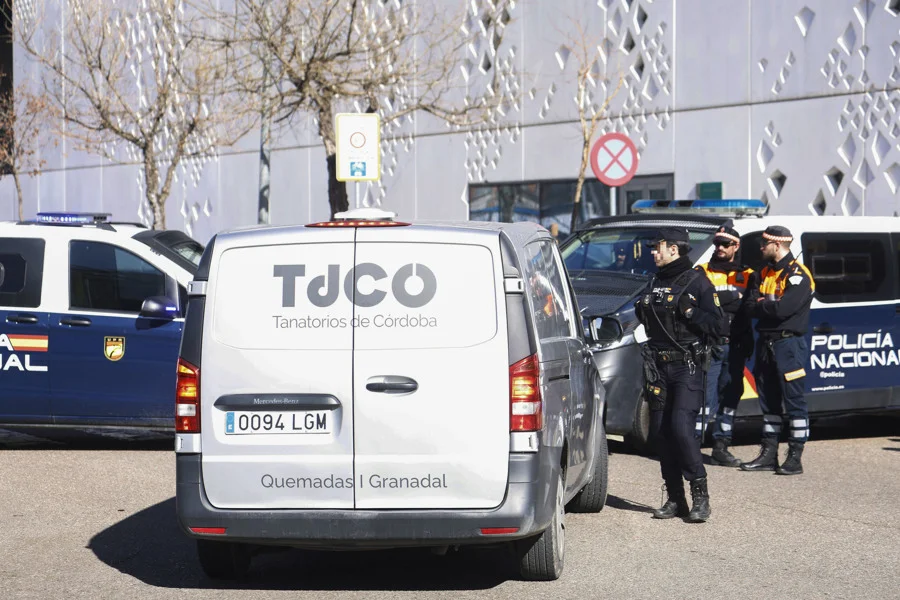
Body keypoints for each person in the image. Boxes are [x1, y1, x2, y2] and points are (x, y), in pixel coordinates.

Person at [635, 228, 723, 522]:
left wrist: (691, 314)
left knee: (681, 429)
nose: (653, 252)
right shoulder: (654, 281)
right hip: (657, 367)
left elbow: (719, 326)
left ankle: (701, 496)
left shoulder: (697, 281)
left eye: (657, 247)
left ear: (674, 249)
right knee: (660, 434)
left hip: (686, 366)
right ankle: (675, 499)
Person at [740, 225, 815, 475]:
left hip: (788, 344)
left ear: (778, 245)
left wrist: (765, 304)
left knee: (794, 402)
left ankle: (794, 457)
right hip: (766, 343)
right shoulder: (762, 273)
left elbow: (785, 310)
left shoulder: (798, 275)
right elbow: (750, 307)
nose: (761, 248)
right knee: (768, 402)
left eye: (765, 243)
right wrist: (767, 304)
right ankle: (768, 454)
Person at [694, 226, 758, 467]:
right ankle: (693, 447)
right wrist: (733, 299)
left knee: (731, 395)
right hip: (710, 345)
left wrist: (721, 302)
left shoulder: (749, 274)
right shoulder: (702, 271)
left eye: (725, 244)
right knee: (704, 397)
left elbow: (750, 306)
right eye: (717, 244)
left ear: (736, 247)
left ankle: (721, 445)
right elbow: (703, 303)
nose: (719, 248)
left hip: (737, 345)